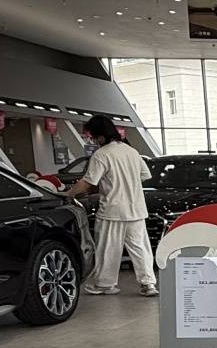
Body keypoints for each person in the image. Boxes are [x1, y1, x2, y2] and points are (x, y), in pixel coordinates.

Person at [66, 115, 158, 297]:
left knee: (108, 249)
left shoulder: (102, 154)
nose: (93, 141)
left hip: (112, 209)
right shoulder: (132, 151)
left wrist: (67, 194)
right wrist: (127, 182)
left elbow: (88, 182)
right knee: (140, 248)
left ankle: (105, 284)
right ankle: (148, 284)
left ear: (100, 135)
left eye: (93, 137)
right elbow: (145, 175)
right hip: (136, 209)